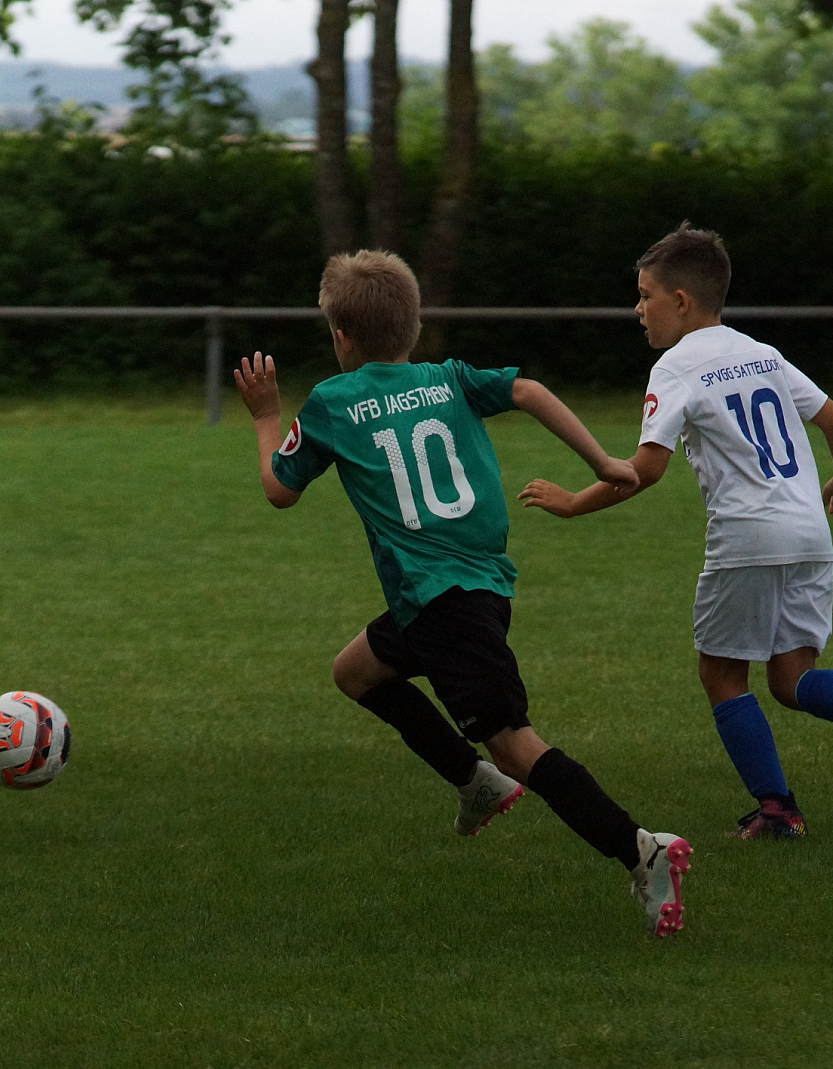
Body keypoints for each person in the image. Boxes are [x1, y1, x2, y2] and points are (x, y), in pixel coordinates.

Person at [231, 250, 692, 938]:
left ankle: (640, 850)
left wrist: (266, 415)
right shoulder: (447, 378)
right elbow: (530, 391)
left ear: (340, 336)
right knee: (355, 671)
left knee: (515, 745)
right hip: (464, 589)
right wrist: (602, 461)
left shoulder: (333, 401)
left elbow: (279, 489)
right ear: (413, 327)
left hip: (443, 603)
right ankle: (474, 782)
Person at [518, 224, 833, 841]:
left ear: (680, 301)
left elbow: (645, 470)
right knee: (792, 679)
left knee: (721, 675)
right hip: (809, 534)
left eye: (644, 295)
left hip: (747, 537)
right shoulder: (759, 352)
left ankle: (777, 810)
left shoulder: (675, 367)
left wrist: (571, 503)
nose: (638, 309)